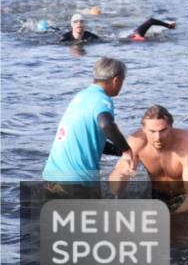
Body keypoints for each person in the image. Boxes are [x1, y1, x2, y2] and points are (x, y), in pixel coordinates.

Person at [42, 57, 135, 198]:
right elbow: (106, 125)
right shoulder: (102, 100)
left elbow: (89, 140)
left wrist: (120, 151)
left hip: (52, 177)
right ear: (116, 80)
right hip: (78, 181)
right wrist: (127, 151)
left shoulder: (82, 97)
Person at [109, 105, 188, 213]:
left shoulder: (187, 143)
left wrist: (175, 217)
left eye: (163, 130)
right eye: (152, 131)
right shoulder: (136, 142)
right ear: (144, 129)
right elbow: (115, 190)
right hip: (156, 196)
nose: (158, 137)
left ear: (171, 127)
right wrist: (121, 174)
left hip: (184, 197)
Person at [59, 14, 176, 43]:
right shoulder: (65, 38)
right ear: (72, 25)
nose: (79, 24)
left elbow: (151, 21)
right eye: (76, 22)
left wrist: (169, 26)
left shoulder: (90, 36)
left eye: (81, 22)